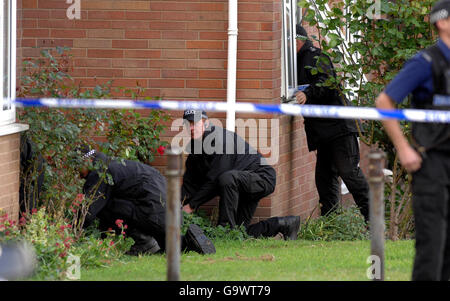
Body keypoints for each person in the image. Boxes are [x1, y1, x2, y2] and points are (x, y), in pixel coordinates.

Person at [375, 0, 450, 281]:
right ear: (442, 22)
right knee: (432, 246)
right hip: (431, 164)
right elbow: (384, 101)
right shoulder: (425, 62)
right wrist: (404, 149)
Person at [180, 109, 301, 240]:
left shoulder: (220, 140)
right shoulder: (194, 147)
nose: (191, 127)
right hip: (239, 183)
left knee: (226, 178)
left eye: (195, 123)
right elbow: (190, 181)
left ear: (206, 123)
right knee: (240, 232)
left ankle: (224, 231)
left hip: (261, 177)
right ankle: (284, 224)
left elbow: (215, 180)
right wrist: (177, 204)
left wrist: (192, 205)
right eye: (188, 124)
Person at [76, 147, 216, 256]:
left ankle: (144, 241)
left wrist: (71, 232)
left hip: (152, 211)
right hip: (168, 212)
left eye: (77, 167)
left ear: (87, 160)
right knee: (171, 248)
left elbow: (88, 210)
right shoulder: (119, 165)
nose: (77, 173)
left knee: (105, 204)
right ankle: (188, 241)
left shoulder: (100, 172)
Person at [294, 24, 370, 222]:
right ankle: (331, 224)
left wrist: (307, 93)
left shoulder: (315, 57)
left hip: (339, 128)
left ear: (297, 40)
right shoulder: (294, 61)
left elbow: (328, 82)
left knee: (349, 173)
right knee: (324, 179)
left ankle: (374, 220)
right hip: (323, 133)